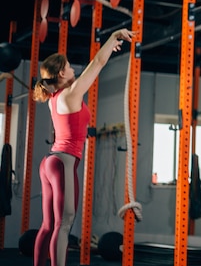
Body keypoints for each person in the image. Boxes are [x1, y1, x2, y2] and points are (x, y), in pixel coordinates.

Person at [31, 28, 135, 266]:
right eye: (67, 65)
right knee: (63, 224)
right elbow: (97, 63)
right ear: (61, 72)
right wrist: (113, 37)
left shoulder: (55, 97)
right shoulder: (70, 94)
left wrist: (111, 46)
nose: (72, 67)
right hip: (63, 162)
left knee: (49, 225)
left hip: (50, 162)